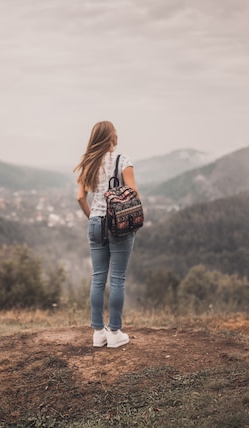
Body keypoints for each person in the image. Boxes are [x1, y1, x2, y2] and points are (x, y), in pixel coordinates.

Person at [74, 121, 139, 348]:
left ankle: (98, 333)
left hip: (95, 223)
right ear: (111, 136)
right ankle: (114, 333)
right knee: (118, 278)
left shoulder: (88, 163)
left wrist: (94, 215)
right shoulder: (123, 160)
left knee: (98, 277)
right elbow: (133, 192)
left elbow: (80, 197)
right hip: (118, 225)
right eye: (116, 132)